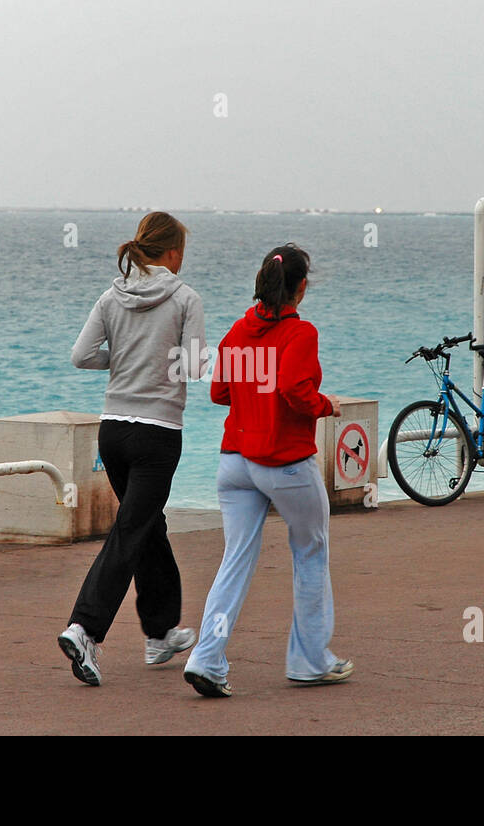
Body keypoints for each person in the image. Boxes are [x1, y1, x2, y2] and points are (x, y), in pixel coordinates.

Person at [182, 243, 352, 698]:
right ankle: (310, 660)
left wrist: (253, 393)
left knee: (234, 561)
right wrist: (326, 405)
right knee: (310, 551)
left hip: (235, 462)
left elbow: (219, 392)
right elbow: (297, 391)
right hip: (285, 464)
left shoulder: (238, 331)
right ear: (300, 287)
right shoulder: (301, 334)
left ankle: (206, 657)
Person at [57, 212, 206, 686]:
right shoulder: (185, 298)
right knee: (132, 529)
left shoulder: (111, 295)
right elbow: (196, 367)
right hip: (158, 433)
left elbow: (81, 356)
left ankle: (160, 631)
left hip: (114, 431)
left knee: (146, 525)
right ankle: (85, 628)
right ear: (174, 253)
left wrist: (121, 360)